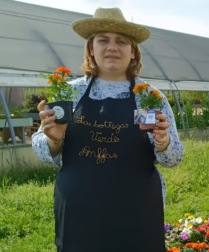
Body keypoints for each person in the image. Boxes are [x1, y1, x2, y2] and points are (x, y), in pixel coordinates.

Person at [31, 7, 184, 252]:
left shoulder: (148, 97)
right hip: (78, 212)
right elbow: (41, 150)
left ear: (133, 51)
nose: (112, 47)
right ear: (91, 48)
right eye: (103, 40)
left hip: (137, 212)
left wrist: (163, 142)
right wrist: (53, 141)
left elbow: (174, 158)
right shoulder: (70, 93)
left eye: (121, 41)